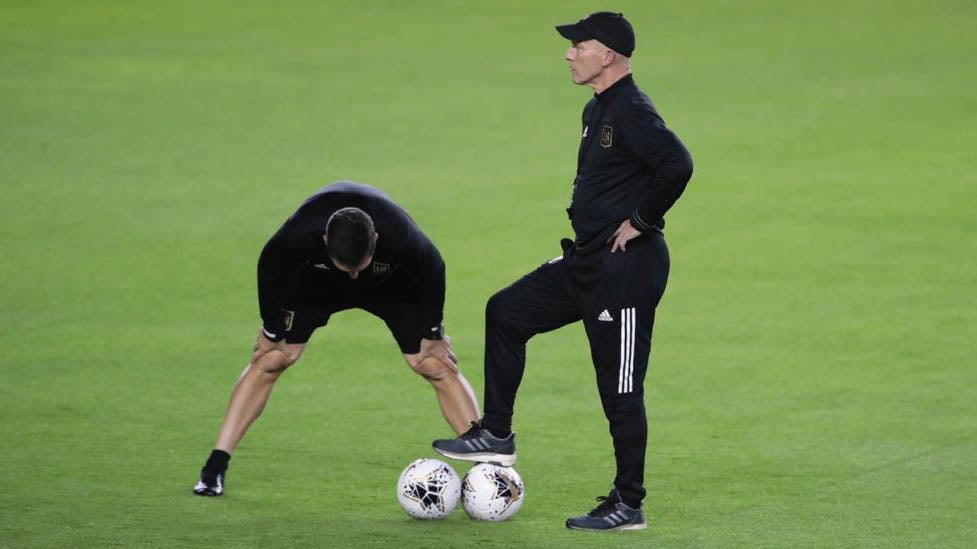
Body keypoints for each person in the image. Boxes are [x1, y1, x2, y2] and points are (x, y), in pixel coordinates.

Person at [433, 12, 693, 531]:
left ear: (608, 55)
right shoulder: (597, 108)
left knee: (620, 390)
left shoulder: (632, 110)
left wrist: (641, 221)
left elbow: (678, 164)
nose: (569, 53)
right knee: (506, 311)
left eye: (579, 45)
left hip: (625, 270)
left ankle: (628, 504)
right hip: (587, 260)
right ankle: (496, 433)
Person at [193, 181, 480, 496]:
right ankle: (214, 467)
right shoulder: (299, 234)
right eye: (347, 269)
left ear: (376, 238)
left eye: (358, 268)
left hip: (389, 284)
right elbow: (270, 267)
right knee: (272, 359)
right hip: (317, 283)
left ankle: (488, 468)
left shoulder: (400, 234)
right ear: (325, 240)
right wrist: (272, 331)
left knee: (434, 363)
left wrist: (433, 333)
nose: (353, 276)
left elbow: (434, 268)